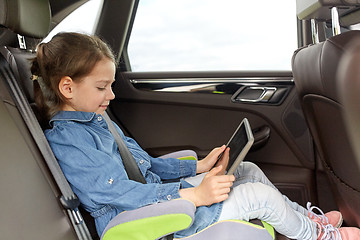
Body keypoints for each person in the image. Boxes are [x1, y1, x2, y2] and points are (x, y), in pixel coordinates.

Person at [31, 32, 360, 240]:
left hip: (154, 195)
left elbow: (143, 163)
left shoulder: (96, 120)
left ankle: (306, 220)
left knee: (248, 171)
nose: (112, 96)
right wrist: (194, 196)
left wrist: (198, 167)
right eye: (102, 87)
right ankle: (322, 238)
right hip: (142, 220)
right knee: (258, 197)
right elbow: (117, 194)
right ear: (67, 87)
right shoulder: (69, 141)